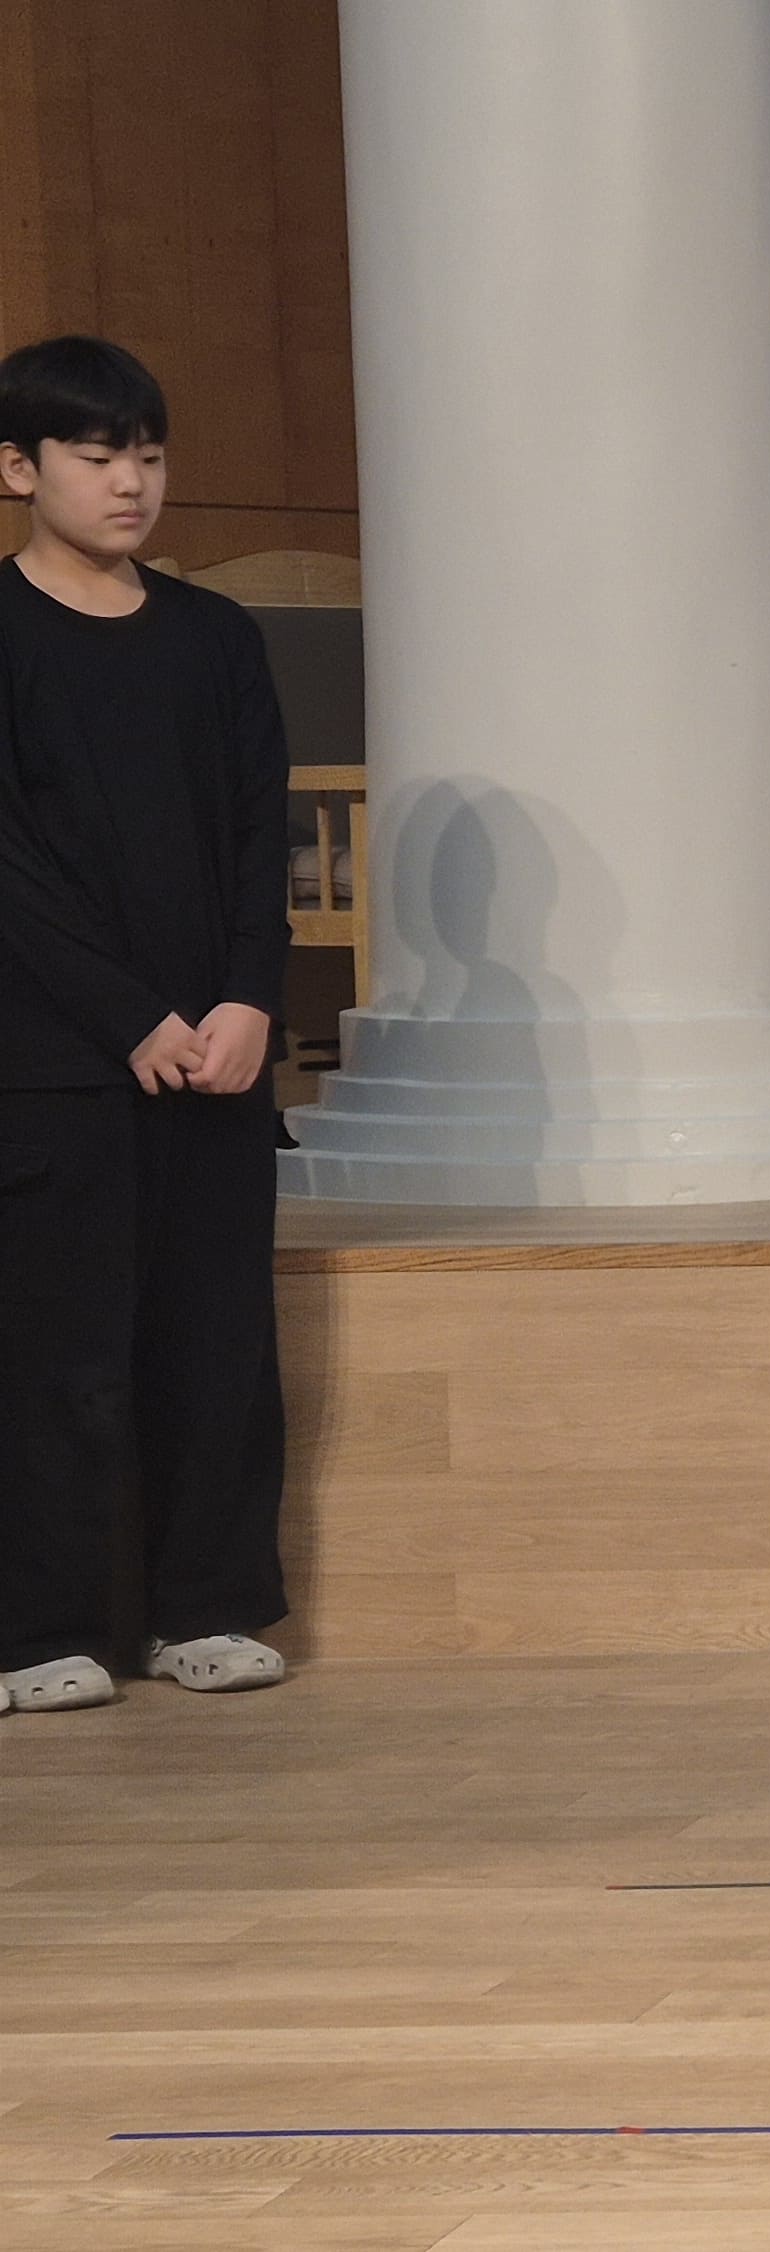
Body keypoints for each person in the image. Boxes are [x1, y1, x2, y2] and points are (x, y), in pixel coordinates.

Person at [0, 335, 294, 1717]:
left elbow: (257, 837)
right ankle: (39, 1628)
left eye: (151, 456)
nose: (131, 483)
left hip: (217, 1052)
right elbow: (9, 866)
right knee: (55, 1351)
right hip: (52, 1061)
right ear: (19, 469)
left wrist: (248, 997)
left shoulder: (216, 638)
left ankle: (208, 1608)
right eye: (97, 455)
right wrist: (128, 1015)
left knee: (215, 1344)